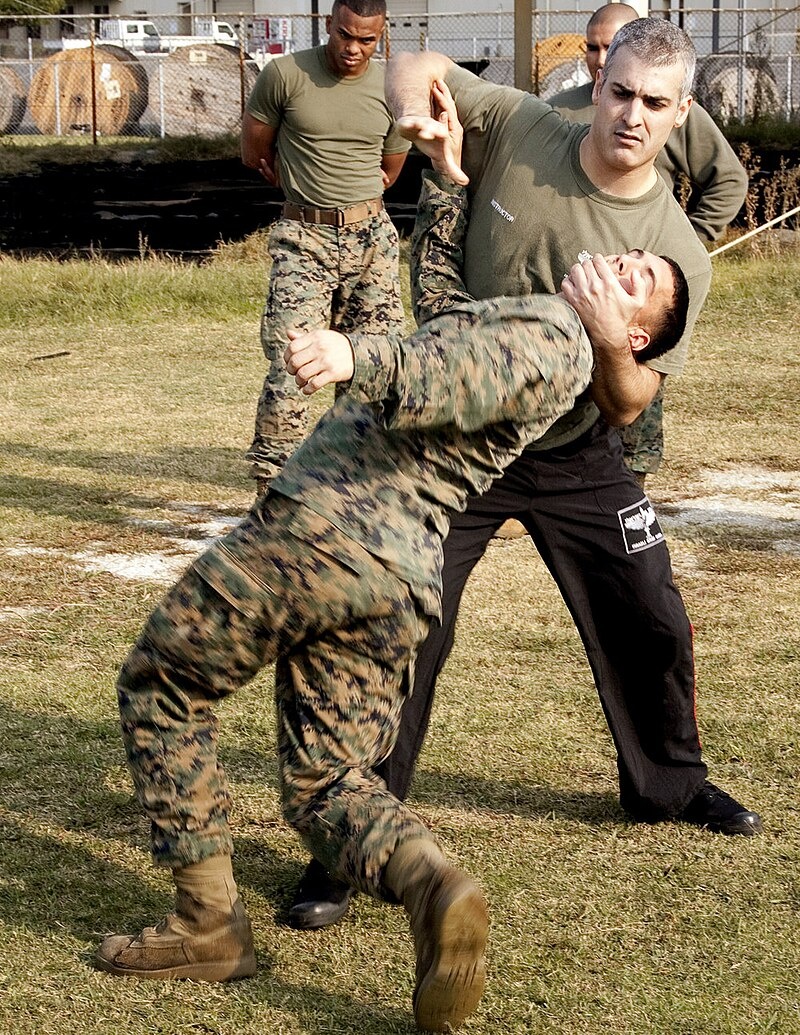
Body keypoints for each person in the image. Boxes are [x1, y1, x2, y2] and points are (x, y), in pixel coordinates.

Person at [91, 180, 690, 1034]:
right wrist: (447, 181)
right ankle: (432, 884)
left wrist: (354, 355)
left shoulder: (558, 338)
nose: (618, 264)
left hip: (322, 536)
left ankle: (205, 923)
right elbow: (444, 318)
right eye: (626, 256)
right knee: (327, 783)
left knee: (163, 683)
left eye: (636, 281)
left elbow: (443, 375)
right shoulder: (532, 321)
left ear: (631, 338)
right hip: (394, 578)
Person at [291, 17, 762, 929]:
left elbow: (630, 404)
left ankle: (669, 786)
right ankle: (351, 839)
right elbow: (417, 60)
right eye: (620, 91)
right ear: (600, 81)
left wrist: (608, 340)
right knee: (400, 628)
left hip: (577, 451)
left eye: (654, 103)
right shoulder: (521, 125)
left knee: (651, 613)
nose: (631, 115)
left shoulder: (675, 252)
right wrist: (417, 117)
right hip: (461, 439)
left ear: (682, 114)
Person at [549, 2, 749, 486]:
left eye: (610, 45)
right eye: (593, 47)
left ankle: (623, 491)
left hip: (637, 295)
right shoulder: (558, 110)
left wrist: (684, 248)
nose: (600, 57)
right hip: (572, 292)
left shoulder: (668, 107)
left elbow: (728, 180)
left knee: (628, 431)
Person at [241, 0, 411, 496]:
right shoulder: (284, 75)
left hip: (371, 241)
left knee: (375, 362)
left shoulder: (391, 87)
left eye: (367, 40)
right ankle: (274, 490)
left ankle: (360, 484)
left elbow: (390, 169)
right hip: (304, 239)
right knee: (291, 361)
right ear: (329, 25)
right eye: (344, 35)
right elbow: (254, 151)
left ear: (381, 35)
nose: (353, 48)